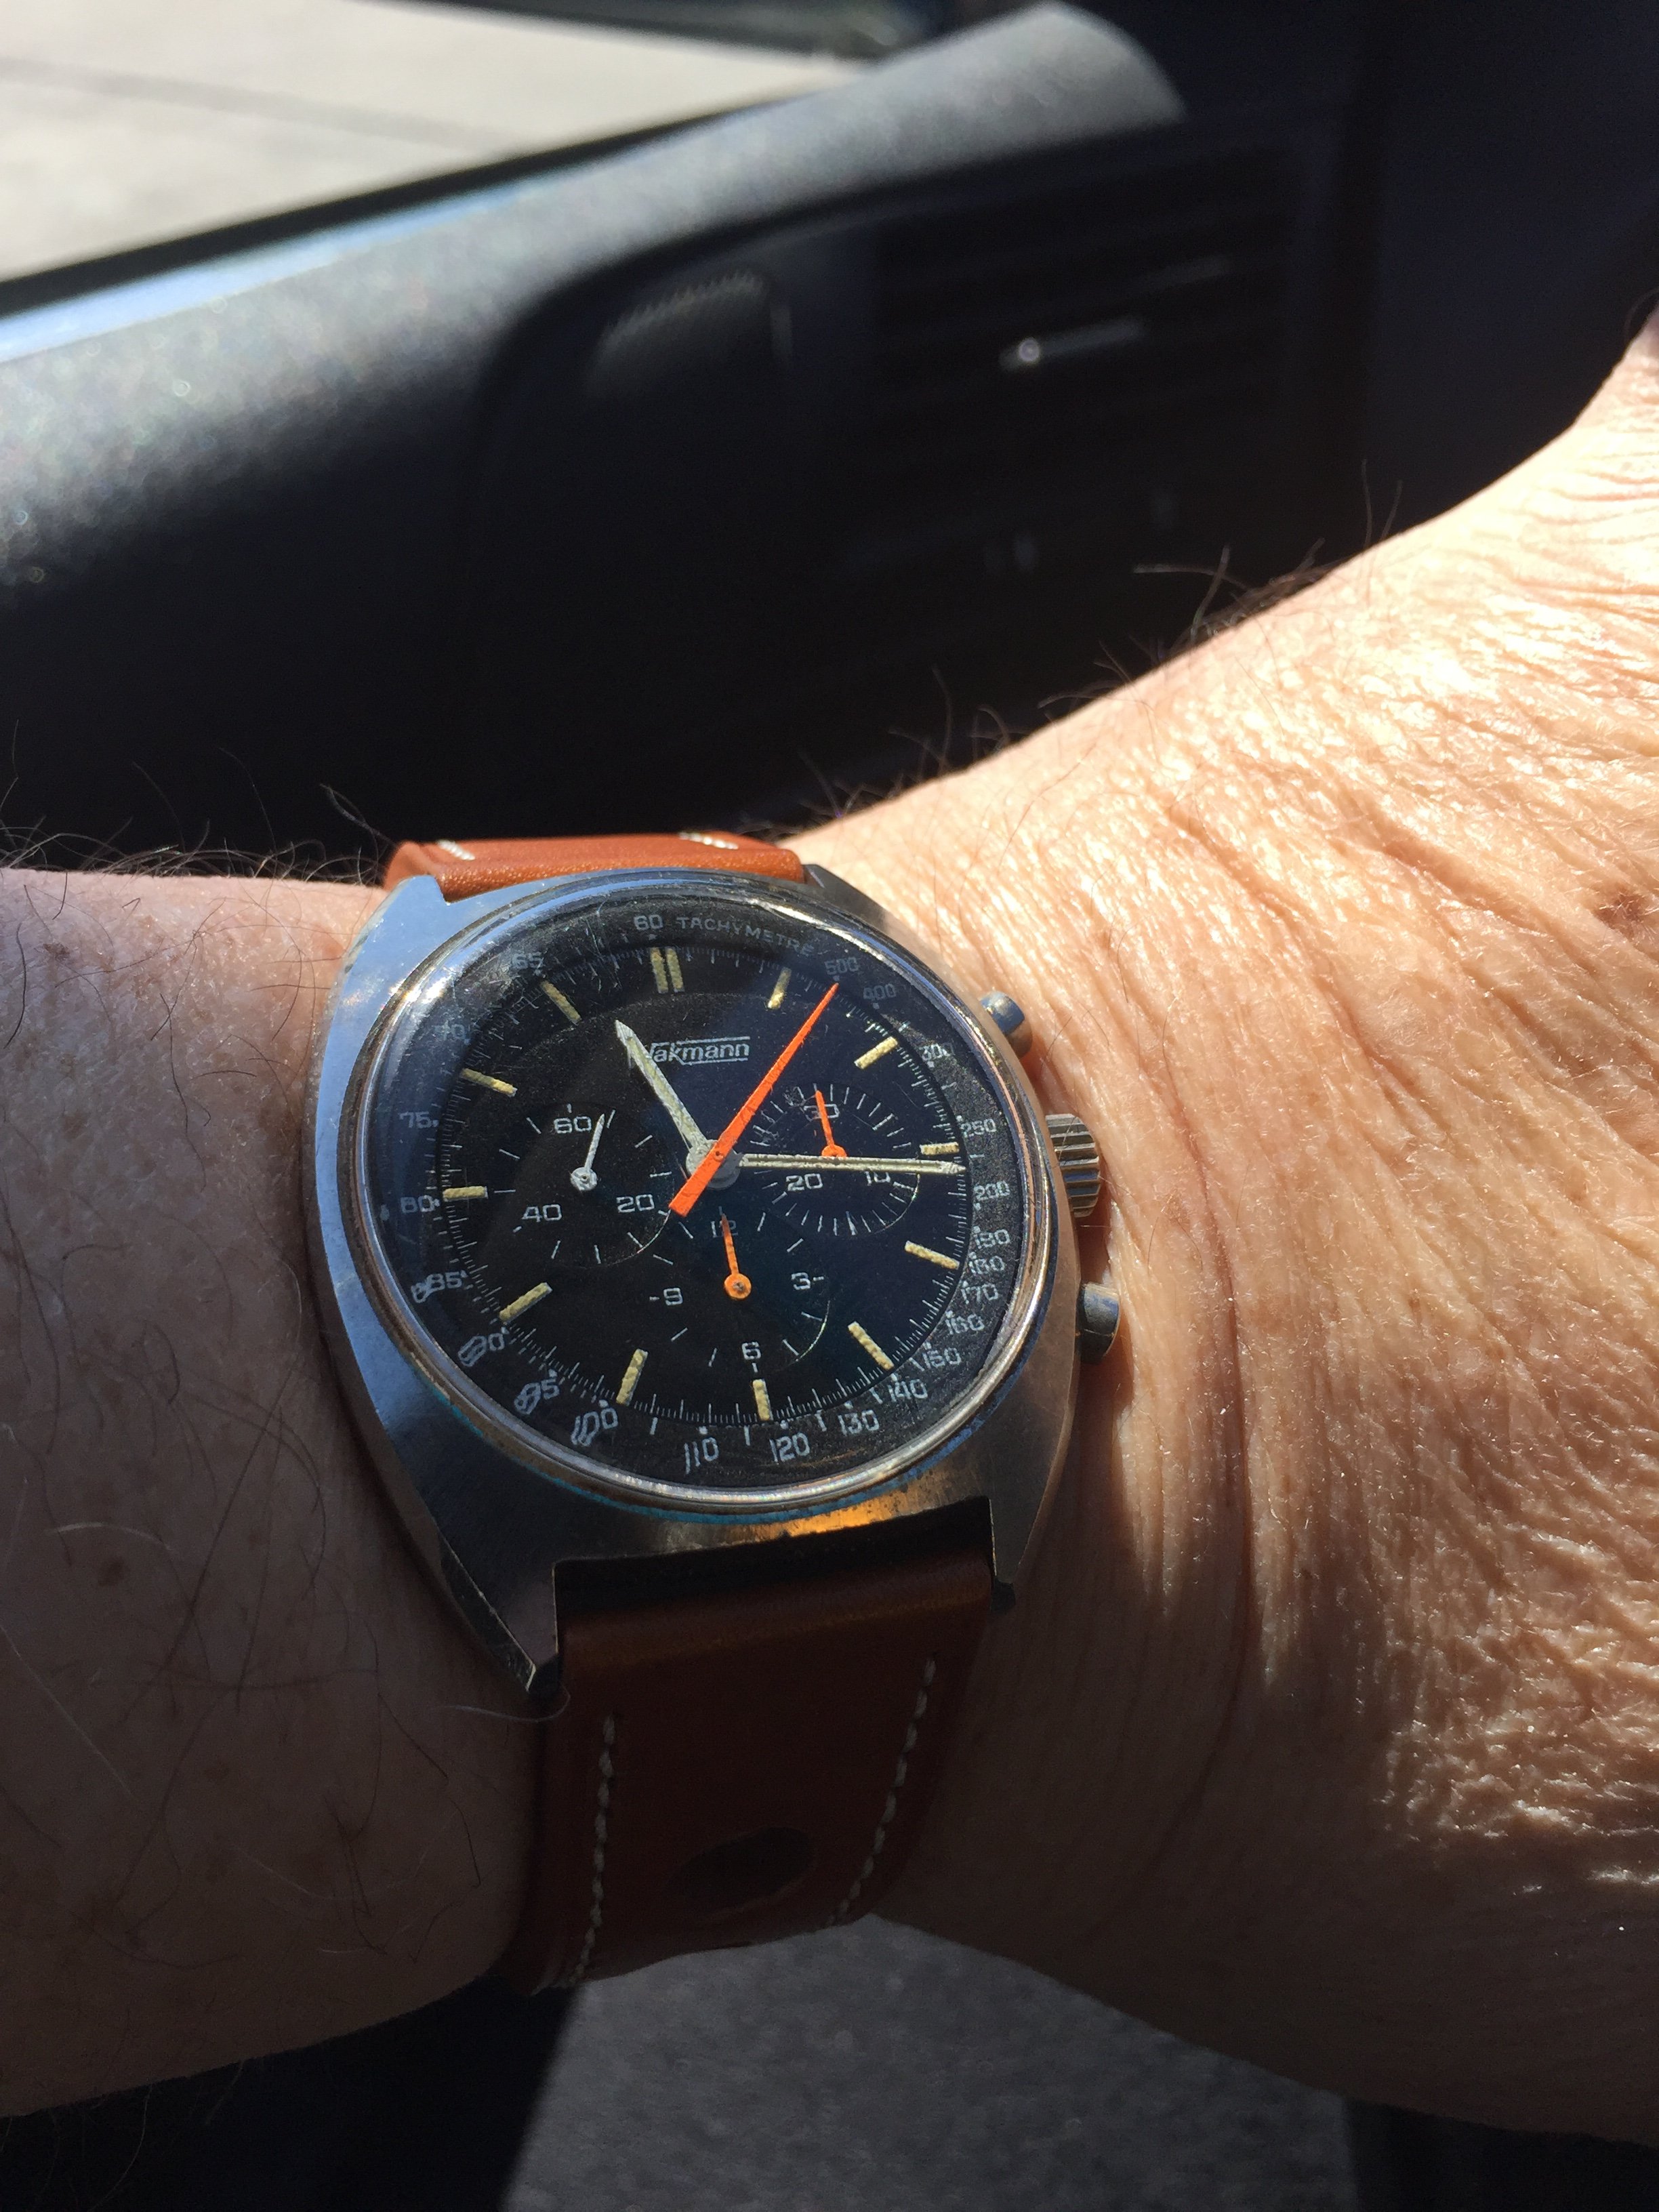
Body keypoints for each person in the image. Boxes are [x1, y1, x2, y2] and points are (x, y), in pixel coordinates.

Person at [5, 312, 1659, 2146]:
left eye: (756, 1145)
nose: (711, 1178)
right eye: (692, 1158)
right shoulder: (462, 1113)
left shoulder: (984, 1273)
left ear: (1046, 1157)